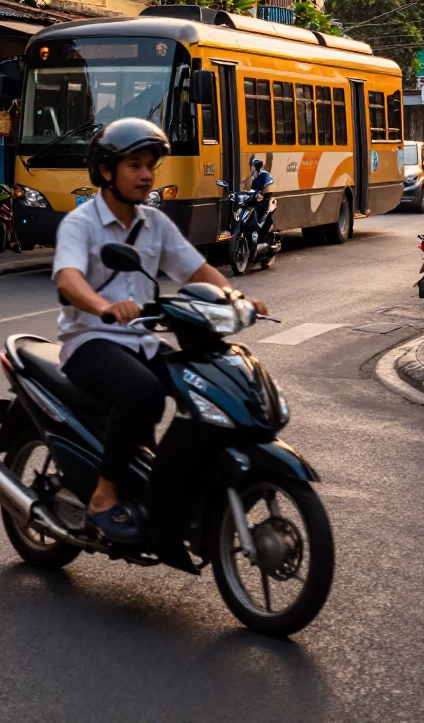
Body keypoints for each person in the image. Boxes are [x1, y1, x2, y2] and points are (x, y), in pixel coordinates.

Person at [53, 118, 268, 544]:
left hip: (141, 341)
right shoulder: (80, 223)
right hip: (89, 341)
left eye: (150, 164)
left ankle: (165, 489)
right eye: (135, 165)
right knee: (143, 392)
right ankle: (104, 495)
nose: (147, 174)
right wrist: (104, 306)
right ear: (106, 171)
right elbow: (68, 279)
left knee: (206, 386)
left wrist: (235, 297)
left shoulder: (155, 223)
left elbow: (196, 269)